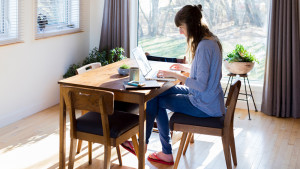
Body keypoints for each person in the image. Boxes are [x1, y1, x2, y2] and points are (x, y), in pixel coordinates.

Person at [121, 4, 225, 165]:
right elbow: (206, 73)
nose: (180, 32)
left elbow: (201, 85)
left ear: (191, 25)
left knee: (156, 100)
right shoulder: (211, 41)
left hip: (203, 104)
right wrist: (184, 68)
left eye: (181, 27)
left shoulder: (204, 46)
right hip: (208, 100)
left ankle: (158, 150)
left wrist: (175, 75)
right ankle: (147, 145)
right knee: (157, 93)